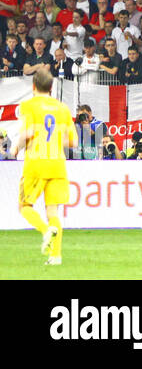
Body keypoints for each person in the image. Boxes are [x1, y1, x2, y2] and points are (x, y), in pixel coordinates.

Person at [16, 65, 74, 266]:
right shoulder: (63, 109)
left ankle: (45, 230)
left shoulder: (29, 106)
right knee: (53, 211)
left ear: (34, 86)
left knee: (24, 206)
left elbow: (27, 132)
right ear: (51, 87)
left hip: (36, 162)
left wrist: (15, 149)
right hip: (58, 163)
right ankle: (55, 256)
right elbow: (72, 142)